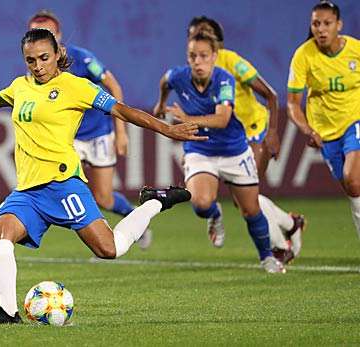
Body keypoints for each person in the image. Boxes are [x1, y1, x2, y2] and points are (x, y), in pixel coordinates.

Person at [0, 28, 206, 324]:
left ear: (58, 54)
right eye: (30, 60)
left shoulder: (76, 86)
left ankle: (154, 202)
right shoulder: (21, 86)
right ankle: (6, 312)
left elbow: (122, 110)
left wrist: (167, 129)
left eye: (44, 58)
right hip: (28, 191)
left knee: (109, 249)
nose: (38, 66)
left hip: (63, 186)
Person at [153, 31, 285, 273]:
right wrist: (161, 103)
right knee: (201, 203)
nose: (198, 62)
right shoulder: (179, 76)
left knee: (251, 209)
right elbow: (165, 81)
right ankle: (215, 215)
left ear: (214, 57)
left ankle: (267, 257)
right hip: (200, 149)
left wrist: (186, 118)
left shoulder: (225, 80)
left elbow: (222, 120)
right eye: (193, 56)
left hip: (233, 150)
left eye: (204, 56)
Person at [27, 10, 153, 249]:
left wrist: (121, 130)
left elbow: (112, 85)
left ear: (58, 37)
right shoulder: (34, 70)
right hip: (66, 140)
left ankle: (135, 218)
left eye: (46, 34)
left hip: (97, 134)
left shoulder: (82, 58)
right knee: (58, 188)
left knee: (103, 197)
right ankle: (101, 241)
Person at [187, 17, 306, 264]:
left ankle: (279, 246)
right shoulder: (195, 67)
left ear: (217, 41)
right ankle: (291, 223)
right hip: (229, 138)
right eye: (194, 34)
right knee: (243, 201)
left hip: (252, 131)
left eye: (205, 33)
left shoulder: (233, 63)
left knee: (247, 201)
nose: (199, 38)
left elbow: (270, 95)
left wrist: (272, 133)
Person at [287, 1, 360, 241]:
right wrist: (307, 130)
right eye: (316, 23)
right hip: (325, 133)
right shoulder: (303, 55)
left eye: (327, 23)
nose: (321, 29)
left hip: (354, 120)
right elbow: (292, 104)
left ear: (339, 25)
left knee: (353, 179)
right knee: (351, 189)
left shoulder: (355, 51)